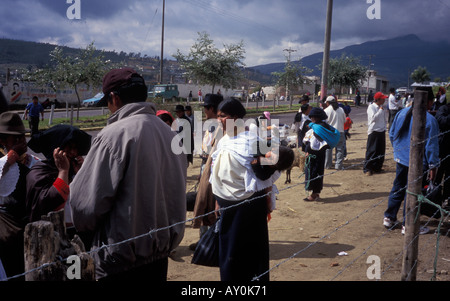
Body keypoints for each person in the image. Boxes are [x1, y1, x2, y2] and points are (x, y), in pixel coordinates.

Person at [70, 68, 187, 281]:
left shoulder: (113, 135)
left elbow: (84, 207)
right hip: (159, 255)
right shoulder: (171, 135)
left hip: (120, 261)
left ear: (113, 98)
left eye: (106, 102)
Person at [210, 98, 279, 281]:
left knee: (249, 253)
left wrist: (268, 199)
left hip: (248, 206)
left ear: (235, 118)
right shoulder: (223, 140)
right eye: (217, 116)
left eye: (222, 116)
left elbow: (270, 173)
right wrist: (217, 200)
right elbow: (218, 172)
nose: (218, 120)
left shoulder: (254, 140)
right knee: (229, 253)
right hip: (226, 205)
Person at [383, 86, 440, 234]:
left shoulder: (402, 113)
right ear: (429, 101)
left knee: (398, 187)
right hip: (418, 163)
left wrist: (398, 151)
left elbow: (392, 134)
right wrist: (433, 165)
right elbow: (431, 146)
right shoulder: (430, 120)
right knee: (413, 192)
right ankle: (408, 224)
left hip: (401, 159)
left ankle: (389, 217)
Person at [0, 112, 39, 280]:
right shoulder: (3, 165)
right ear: (2, 142)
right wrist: (8, 161)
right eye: (15, 140)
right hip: (6, 241)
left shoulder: (34, 163)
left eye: (22, 138)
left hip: (31, 238)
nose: (21, 144)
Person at [26, 124, 91, 223]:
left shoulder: (74, 170)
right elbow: (49, 203)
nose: (73, 152)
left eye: (75, 148)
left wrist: (80, 174)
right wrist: (63, 171)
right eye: (69, 147)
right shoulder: (39, 172)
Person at [190, 93, 223, 251]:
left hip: (213, 169)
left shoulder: (220, 126)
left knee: (210, 205)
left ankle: (210, 242)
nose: (203, 111)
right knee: (204, 204)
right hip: (206, 167)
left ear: (211, 108)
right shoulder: (211, 124)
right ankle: (204, 240)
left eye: (205, 107)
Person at [302, 107, 340, 202]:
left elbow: (314, 143)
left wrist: (308, 151)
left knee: (314, 173)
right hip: (319, 155)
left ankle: (314, 195)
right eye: (311, 117)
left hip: (315, 156)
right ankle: (316, 193)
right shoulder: (322, 126)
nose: (311, 119)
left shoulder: (318, 128)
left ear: (316, 117)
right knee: (317, 173)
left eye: (313, 117)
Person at [363, 92, 388, 176]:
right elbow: (373, 118)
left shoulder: (381, 108)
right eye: (383, 99)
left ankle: (377, 167)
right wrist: (380, 111)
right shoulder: (371, 107)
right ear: (378, 99)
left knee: (380, 151)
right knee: (372, 150)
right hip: (374, 131)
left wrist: (384, 127)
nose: (384, 100)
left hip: (381, 131)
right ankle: (368, 168)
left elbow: (383, 119)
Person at [324, 96, 346, 170]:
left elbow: (325, 122)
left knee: (328, 149)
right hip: (340, 131)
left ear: (328, 103)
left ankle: (327, 165)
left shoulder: (326, 110)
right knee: (340, 149)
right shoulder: (341, 109)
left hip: (330, 132)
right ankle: (338, 165)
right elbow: (344, 120)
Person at [435, 100, 450, 205]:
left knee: (449, 176)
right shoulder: (444, 108)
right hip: (442, 148)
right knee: (438, 175)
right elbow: (441, 121)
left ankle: (446, 199)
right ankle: (435, 199)